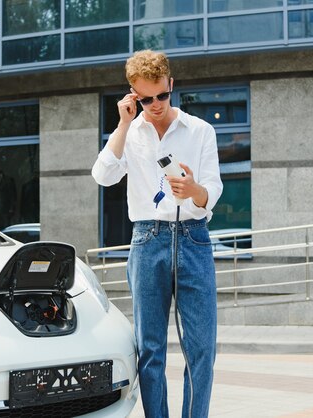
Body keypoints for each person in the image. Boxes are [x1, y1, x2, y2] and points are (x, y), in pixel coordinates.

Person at [92, 50, 223, 418]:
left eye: (161, 96)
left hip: (194, 237)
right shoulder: (130, 133)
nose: (154, 105)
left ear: (171, 85)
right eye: (145, 98)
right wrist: (122, 125)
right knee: (150, 349)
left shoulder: (200, 130)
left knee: (201, 349)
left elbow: (212, 189)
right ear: (134, 95)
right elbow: (103, 175)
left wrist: (193, 190)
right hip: (148, 240)